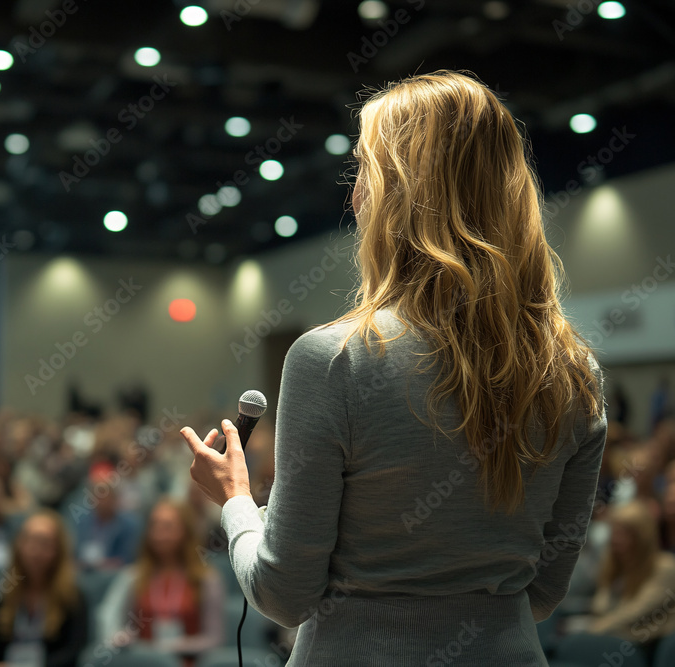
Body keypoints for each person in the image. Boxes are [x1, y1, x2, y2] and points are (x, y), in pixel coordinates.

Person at [181, 70, 607, 666]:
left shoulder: (334, 358)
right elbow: (542, 593)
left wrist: (234, 502)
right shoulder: (573, 371)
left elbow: (283, 594)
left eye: (363, 169)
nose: (353, 192)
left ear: (397, 193)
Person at [98, 499, 224, 666]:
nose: (159, 534)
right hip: (141, 662)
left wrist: (171, 647)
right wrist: (120, 637)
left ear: (185, 532)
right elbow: (109, 619)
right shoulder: (133, 576)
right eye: (154, 526)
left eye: (167, 527)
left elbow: (215, 639)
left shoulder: (206, 579)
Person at [0, 509, 87, 667]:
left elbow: (73, 655)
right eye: (28, 540)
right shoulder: (5, 595)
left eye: (44, 543)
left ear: (58, 550)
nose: (34, 550)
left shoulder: (73, 598)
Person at [580, 499, 675, 642]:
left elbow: (636, 611)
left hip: (643, 644)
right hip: (611, 634)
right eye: (614, 532)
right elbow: (599, 606)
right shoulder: (615, 565)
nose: (615, 539)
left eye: (623, 534)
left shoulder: (666, 567)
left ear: (642, 538)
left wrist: (597, 627)